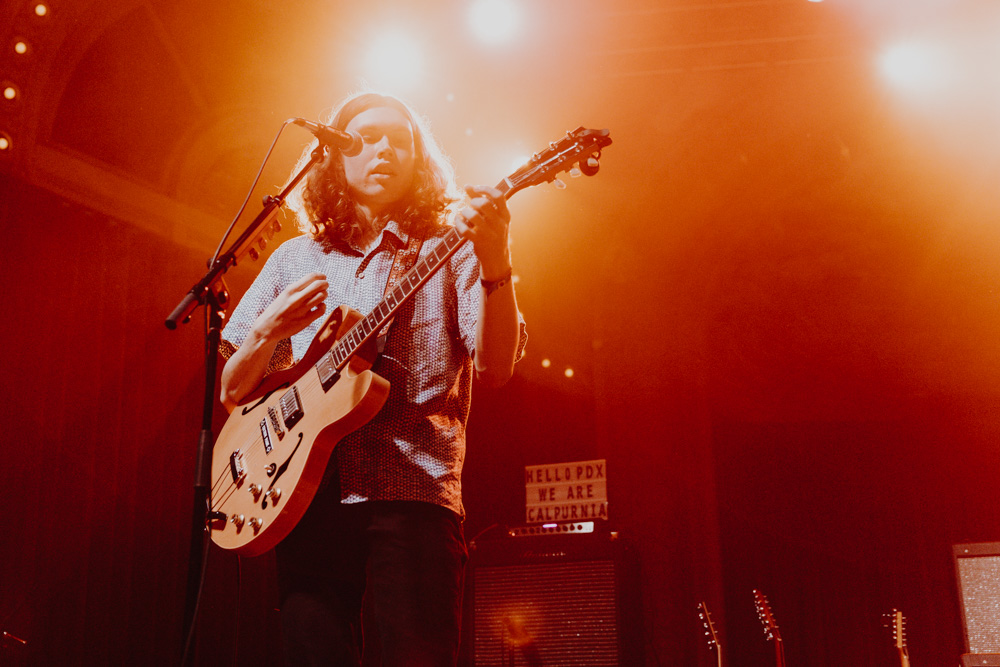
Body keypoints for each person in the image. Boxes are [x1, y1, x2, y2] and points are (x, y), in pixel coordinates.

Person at [217, 91, 526, 666]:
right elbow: (232, 390)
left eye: (400, 140)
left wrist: (496, 259)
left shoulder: (448, 245)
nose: (385, 149)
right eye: (366, 138)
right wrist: (267, 332)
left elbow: (496, 365)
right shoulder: (295, 258)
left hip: (411, 493)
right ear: (334, 156)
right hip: (304, 492)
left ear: (419, 159)